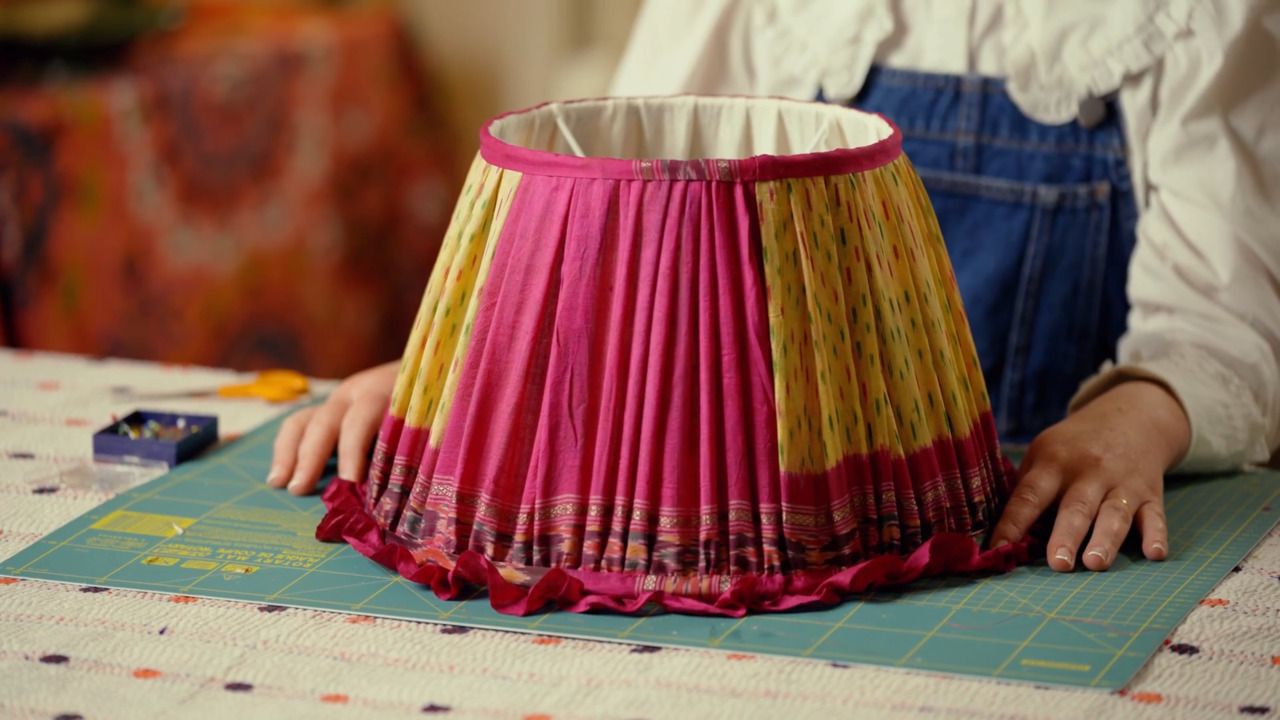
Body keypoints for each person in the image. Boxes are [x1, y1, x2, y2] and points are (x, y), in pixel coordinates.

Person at [268, 0, 1280, 575]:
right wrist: (461, 381)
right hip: (767, 523)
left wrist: (1145, 414)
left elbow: (1221, 320)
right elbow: (616, 228)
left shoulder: (1190, 17)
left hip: (1042, 518)